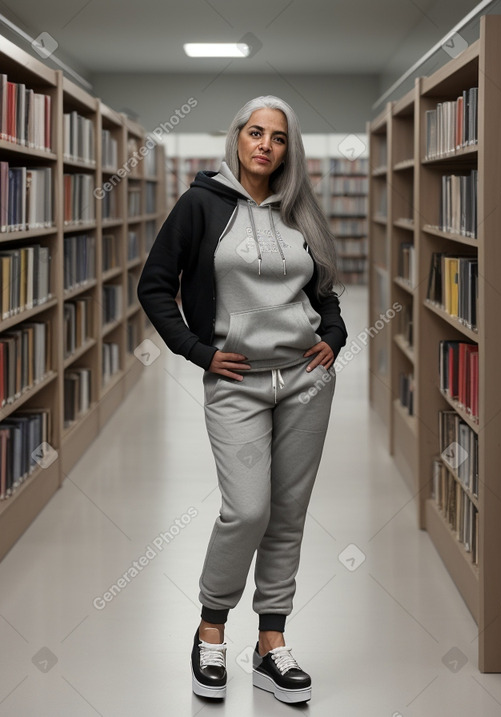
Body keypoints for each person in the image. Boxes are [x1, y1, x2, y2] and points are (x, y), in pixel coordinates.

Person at [137, 95, 347, 704]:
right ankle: (210, 629)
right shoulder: (202, 203)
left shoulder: (301, 209)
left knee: (288, 513)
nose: (265, 145)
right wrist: (198, 351)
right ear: (237, 138)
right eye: (255, 133)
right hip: (236, 382)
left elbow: (324, 288)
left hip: (306, 381)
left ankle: (271, 645)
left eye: (278, 138)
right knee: (247, 509)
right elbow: (155, 285)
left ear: (289, 149)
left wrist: (332, 338)